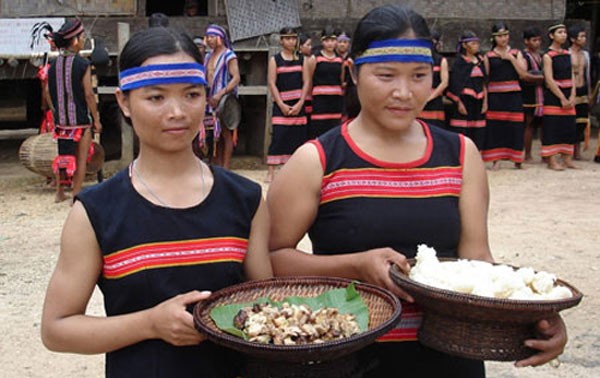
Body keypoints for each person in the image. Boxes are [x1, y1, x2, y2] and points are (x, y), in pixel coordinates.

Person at [266, 4, 568, 377]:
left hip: (449, 358)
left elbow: (478, 260)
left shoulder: (461, 155)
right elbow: (270, 262)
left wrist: (535, 311)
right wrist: (354, 266)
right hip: (348, 356)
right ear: (354, 73)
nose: (404, 92)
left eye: (419, 75)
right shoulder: (317, 160)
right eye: (386, 75)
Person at [40, 26, 272, 378]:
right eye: (156, 98)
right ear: (124, 102)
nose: (177, 111)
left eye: (192, 94)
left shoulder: (245, 199)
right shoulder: (97, 211)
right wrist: (150, 324)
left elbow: (265, 306)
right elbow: (57, 329)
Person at [46, 19, 102, 202]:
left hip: (61, 121)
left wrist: (56, 110)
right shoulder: (82, 64)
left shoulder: (53, 65)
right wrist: (96, 119)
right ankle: (76, 194)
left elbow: (47, 92)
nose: (84, 39)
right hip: (80, 119)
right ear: (76, 40)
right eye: (83, 36)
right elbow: (88, 95)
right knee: (80, 157)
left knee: (63, 153)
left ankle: (59, 193)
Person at [265, 27, 311, 183]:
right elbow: (272, 83)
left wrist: (300, 102)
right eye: (288, 38)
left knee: (297, 137)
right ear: (281, 40)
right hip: (281, 103)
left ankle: (295, 170)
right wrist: (281, 104)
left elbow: (306, 82)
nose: (291, 41)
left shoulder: (302, 59)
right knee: (279, 136)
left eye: (293, 38)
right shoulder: (275, 60)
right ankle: (271, 171)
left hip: (298, 103)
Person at [482, 22, 527, 170]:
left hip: (513, 94)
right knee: (496, 127)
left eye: (506, 35)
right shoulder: (488, 56)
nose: (503, 38)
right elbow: (486, 79)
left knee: (515, 126)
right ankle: (496, 159)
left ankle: (517, 159)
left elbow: (523, 73)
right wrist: (485, 100)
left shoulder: (516, 53)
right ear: (494, 38)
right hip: (496, 96)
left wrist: (511, 59)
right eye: (500, 36)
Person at [203, 24, 240, 169]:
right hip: (210, 98)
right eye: (208, 37)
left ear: (220, 38)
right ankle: (216, 165)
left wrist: (220, 94)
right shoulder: (207, 56)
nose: (209, 40)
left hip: (223, 99)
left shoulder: (229, 55)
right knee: (213, 133)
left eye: (212, 37)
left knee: (226, 133)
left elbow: (236, 78)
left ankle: (226, 166)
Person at [541, 23, 577, 170]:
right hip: (554, 95)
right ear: (551, 36)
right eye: (560, 32)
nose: (563, 35)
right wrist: (562, 97)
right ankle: (552, 160)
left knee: (568, 126)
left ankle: (567, 157)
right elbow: (549, 79)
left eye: (564, 32)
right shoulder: (548, 56)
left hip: (569, 93)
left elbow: (572, 76)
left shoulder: (568, 54)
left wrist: (573, 94)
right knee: (553, 126)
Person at [446, 30, 487, 150]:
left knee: (478, 131)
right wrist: (458, 102)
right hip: (465, 100)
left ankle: (476, 153)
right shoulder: (460, 62)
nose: (476, 46)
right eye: (473, 43)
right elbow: (455, 84)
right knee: (462, 130)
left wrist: (485, 102)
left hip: (478, 101)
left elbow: (484, 82)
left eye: (477, 43)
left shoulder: (480, 61)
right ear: (464, 45)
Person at [308, 26, 344, 139]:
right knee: (319, 129)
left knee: (334, 129)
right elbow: (309, 80)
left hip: (335, 100)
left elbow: (341, 79)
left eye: (332, 40)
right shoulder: (315, 58)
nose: (330, 44)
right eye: (327, 40)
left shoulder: (340, 59)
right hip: (320, 100)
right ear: (322, 41)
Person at [520, 26, 545, 162]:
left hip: (541, 93)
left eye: (539, 40)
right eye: (534, 40)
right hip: (529, 94)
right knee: (529, 124)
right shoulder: (524, 56)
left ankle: (545, 154)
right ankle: (527, 154)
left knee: (543, 124)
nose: (537, 43)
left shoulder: (541, 56)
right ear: (526, 41)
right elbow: (524, 75)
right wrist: (542, 78)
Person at [568, 24, 591, 160]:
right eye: (581, 36)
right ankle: (568, 152)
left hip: (583, 89)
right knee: (570, 122)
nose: (584, 39)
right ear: (573, 39)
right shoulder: (567, 54)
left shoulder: (586, 55)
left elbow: (587, 74)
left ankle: (577, 152)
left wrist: (589, 92)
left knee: (581, 122)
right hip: (571, 90)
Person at [418, 28, 449, 128]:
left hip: (435, 100)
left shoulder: (441, 60)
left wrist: (431, 96)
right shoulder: (419, 59)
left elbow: (444, 82)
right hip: (419, 98)